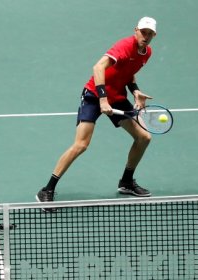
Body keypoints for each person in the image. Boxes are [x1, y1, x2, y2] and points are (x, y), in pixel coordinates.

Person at [36, 17, 157, 212]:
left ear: (154, 35)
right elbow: (98, 67)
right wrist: (102, 99)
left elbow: (129, 71)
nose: (146, 36)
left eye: (150, 33)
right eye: (143, 32)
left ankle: (126, 182)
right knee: (81, 144)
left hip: (116, 98)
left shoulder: (146, 52)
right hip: (94, 95)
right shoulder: (124, 45)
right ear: (136, 30)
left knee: (144, 137)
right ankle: (47, 190)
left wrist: (135, 90)